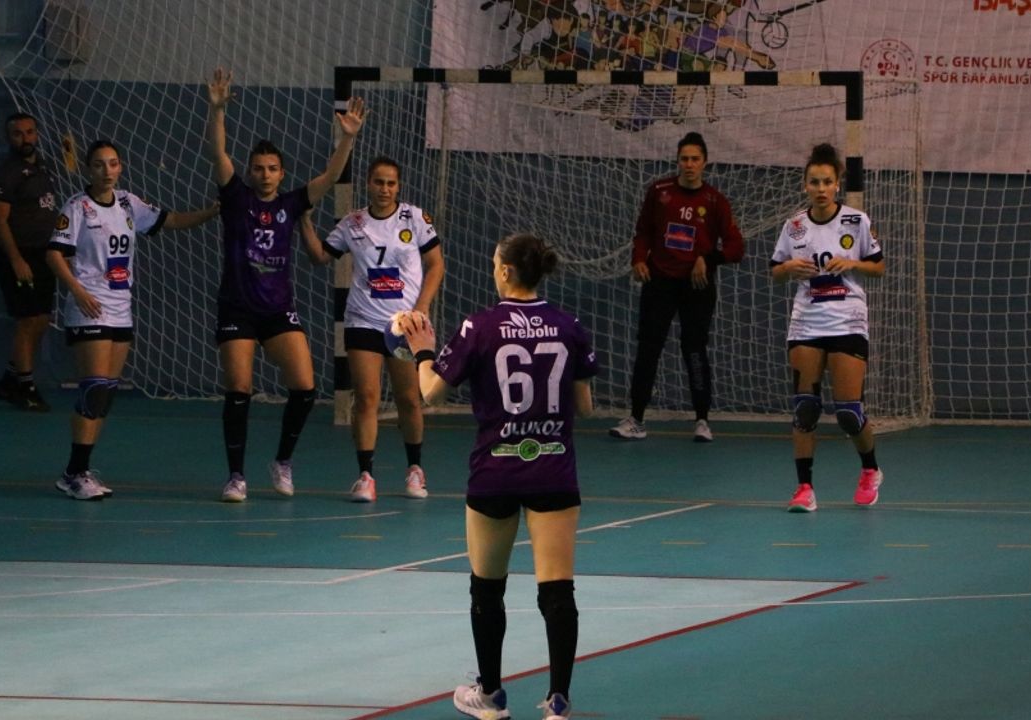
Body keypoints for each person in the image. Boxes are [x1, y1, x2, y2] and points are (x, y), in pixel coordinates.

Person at [399, 233, 598, 720]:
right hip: (553, 468)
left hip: (496, 470)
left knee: (487, 587)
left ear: (506, 271)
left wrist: (421, 349)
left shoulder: (480, 326)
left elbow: (431, 393)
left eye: (494, 264)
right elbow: (586, 407)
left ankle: (490, 696)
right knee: (558, 590)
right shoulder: (568, 325)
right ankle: (558, 702)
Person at [204, 67, 368, 502]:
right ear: (250, 171)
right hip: (237, 309)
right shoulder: (236, 197)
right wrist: (216, 110)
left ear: (282, 173)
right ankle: (236, 476)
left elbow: (329, 177)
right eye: (258, 168)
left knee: (305, 388)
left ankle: (282, 461)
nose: (264, 174)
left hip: (278, 310)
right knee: (239, 389)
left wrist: (347, 139)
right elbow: (217, 153)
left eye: (272, 169)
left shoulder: (293, 203)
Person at [46, 141, 218, 500]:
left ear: (120, 167)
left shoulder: (127, 203)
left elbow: (171, 220)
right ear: (88, 169)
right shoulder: (77, 207)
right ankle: (75, 473)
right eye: (98, 164)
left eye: (112, 164)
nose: (106, 171)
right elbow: (54, 254)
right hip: (91, 307)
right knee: (93, 389)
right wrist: (77, 290)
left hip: (121, 307)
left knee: (105, 394)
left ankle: (78, 470)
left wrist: (212, 212)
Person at [299, 156, 446, 502]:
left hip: (403, 324)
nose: (384, 189)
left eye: (391, 183)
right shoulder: (353, 223)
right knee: (366, 398)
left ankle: (415, 470)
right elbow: (320, 257)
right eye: (379, 182)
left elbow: (436, 264)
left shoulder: (415, 218)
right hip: (362, 319)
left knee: (408, 398)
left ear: (399, 186)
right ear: (368, 183)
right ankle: (365, 476)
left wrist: (422, 307)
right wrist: (303, 221)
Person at [770, 143, 885, 511]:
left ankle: (870, 469)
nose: (820, 188)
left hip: (847, 320)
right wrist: (788, 269)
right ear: (805, 185)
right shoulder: (794, 226)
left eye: (827, 182)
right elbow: (775, 272)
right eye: (814, 182)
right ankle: (804, 488)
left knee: (848, 412)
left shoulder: (856, 221)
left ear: (837, 185)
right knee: (805, 408)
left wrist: (851, 264)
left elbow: (879, 267)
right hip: (806, 322)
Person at [609, 131, 743, 442]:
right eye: (684, 159)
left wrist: (707, 258)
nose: (689, 164)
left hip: (697, 286)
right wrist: (639, 259)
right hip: (660, 282)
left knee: (694, 349)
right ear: (677, 161)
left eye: (695, 159)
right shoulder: (659, 192)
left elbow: (736, 247)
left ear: (705, 163)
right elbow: (643, 232)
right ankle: (636, 419)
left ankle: (702, 420)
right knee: (648, 348)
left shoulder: (715, 201)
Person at [0, 112, 59, 411]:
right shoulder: (5, 175)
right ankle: (25, 387)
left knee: (41, 319)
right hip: (19, 257)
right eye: (18, 133)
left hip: (44, 256)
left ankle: (9, 379)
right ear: (9, 138)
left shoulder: (43, 167)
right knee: (27, 321)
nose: (25, 138)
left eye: (30, 132)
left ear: (37, 135)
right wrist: (17, 260)